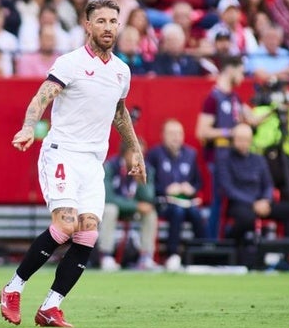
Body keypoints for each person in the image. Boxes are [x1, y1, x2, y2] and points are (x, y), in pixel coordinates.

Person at [0, 0, 146, 328]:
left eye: (113, 21)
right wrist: (27, 126)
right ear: (87, 25)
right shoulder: (71, 62)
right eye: (101, 21)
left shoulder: (122, 71)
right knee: (65, 225)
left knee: (88, 234)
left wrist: (134, 150)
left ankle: (51, 306)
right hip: (62, 151)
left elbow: (119, 113)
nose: (108, 27)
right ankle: (13, 288)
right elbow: (42, 95)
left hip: (94, 162)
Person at [215, 124, 289, 257]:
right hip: (239, 204)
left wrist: (266, 200)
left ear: (251, 140)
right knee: (246, 218)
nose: (243, 143)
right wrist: (253, 203)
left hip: (262, 202)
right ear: (233, 140)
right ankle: (237, 251)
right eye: (239, 139)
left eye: (246, 139)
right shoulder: (225, 160)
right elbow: (228, 188)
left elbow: (268, 184)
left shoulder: (259, 159)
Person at [195, 56, 258, 238]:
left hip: (232, 159)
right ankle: (212, 242)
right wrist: (230, 133)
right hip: (217, 158)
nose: (242, 76)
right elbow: (202, 132)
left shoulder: (235, 98)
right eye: (240, 71)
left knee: (225, 202)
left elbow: (252, 119)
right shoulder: (213, 98)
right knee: (218, 201)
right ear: (230, 69)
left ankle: (224, 240)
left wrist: (274, 106)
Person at [146, 119, 206, 271]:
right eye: (171, 133)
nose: (176, 137)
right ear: (163, 136)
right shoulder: (154, 154)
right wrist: (165, 189)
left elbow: (198, 182)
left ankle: (202, 253)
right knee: (177, 212)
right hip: (164, 202)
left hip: (186, 202)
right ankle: (173, 255)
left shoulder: (191, 154)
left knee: (196, 214)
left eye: (179, 133)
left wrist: (191, 189)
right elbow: (148, 181)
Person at [99, 140, 159, 271]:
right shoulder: (110, 166)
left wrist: (140, 181)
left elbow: (149, 198)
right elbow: (107, 197)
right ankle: (106, 256)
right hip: (116, 207)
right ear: (125, 153)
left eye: (141, 154)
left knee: (150, 212)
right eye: (136, 154)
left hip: (133, 210)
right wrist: (136, 206)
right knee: (110, 210)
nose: (139, 158)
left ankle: (146, 257)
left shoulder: (147, 168)